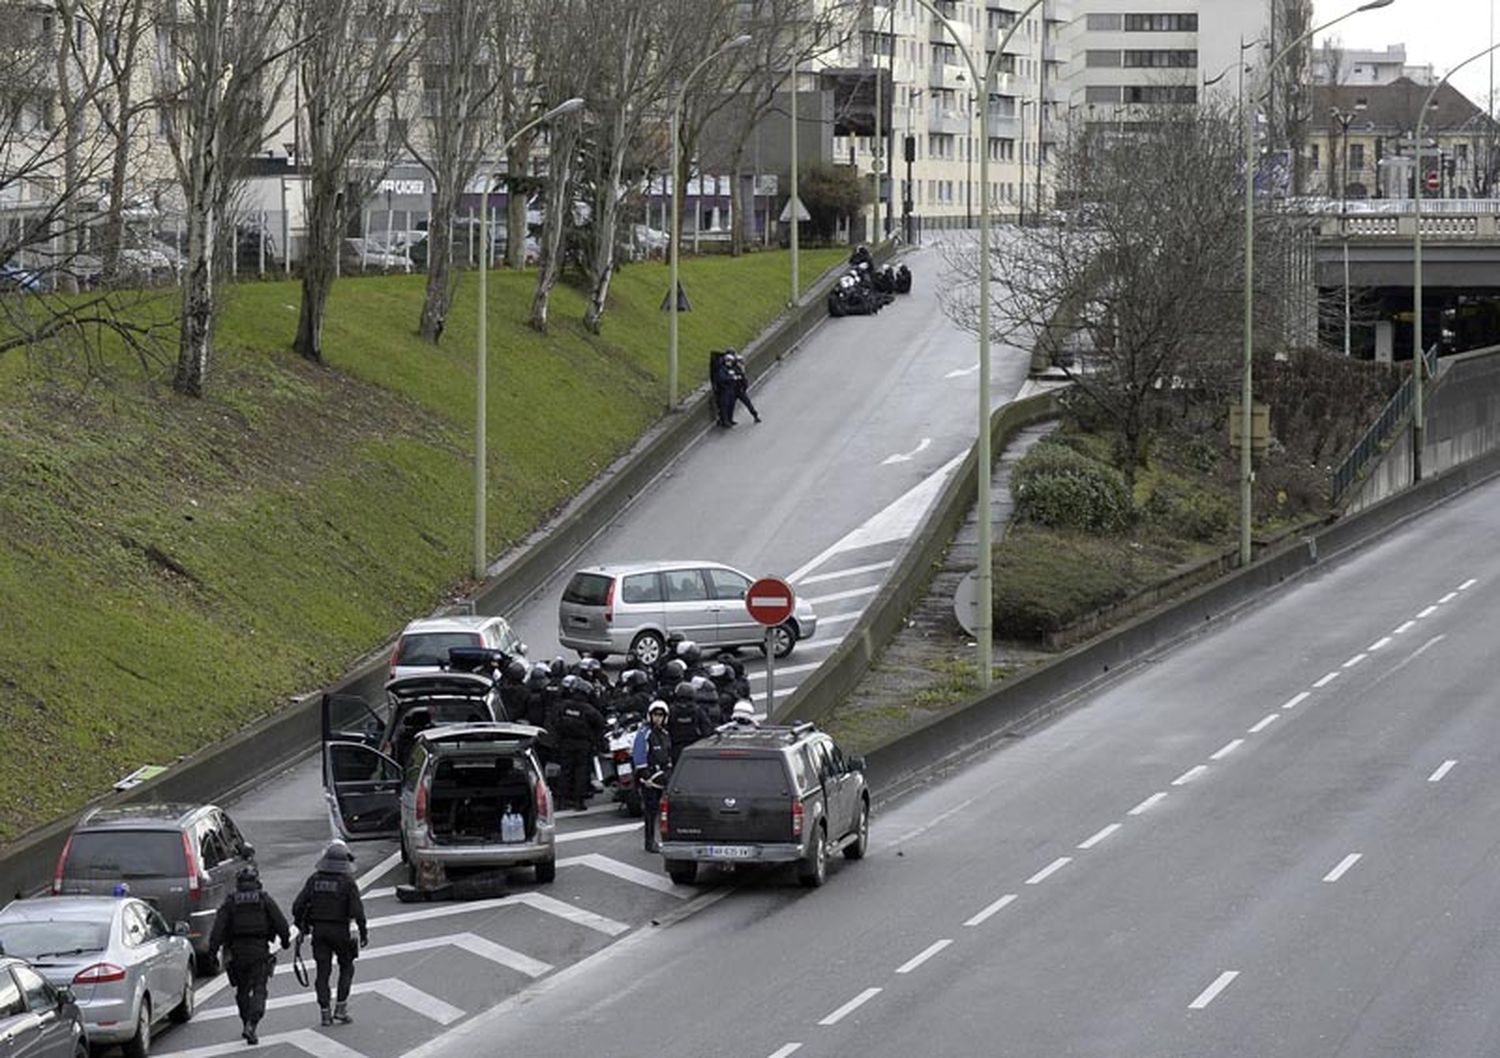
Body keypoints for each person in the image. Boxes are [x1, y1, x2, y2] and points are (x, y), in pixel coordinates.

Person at [209, 865, 290, 1046]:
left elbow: (218, 928)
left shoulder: (230, 902)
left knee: (242, 991)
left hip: (237, 952)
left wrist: (212, 952)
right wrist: (285, 941)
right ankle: (253, 1023)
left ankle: (246, 1021)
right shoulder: (264, 899)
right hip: (259, 950)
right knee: (260, 988)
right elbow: (281, 923)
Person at [292, 840, 367, 1028]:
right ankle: (340, 1009)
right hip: (342, 931)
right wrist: (363, 932)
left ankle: (324, 1014)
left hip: (320, 932)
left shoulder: (314, 880)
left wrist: (303, 927)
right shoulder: (347, 882)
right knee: (347, 968)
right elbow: (357, 910)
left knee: (322, 973)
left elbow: (297, 906)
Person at [548, 675, 606, 810]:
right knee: (581, 772)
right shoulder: (588, 710)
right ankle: (579, 802)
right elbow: (600, 723)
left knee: (565, 771)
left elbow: (554, 722)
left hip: (565, 743)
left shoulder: (564, 706)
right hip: (583, 745)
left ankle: (561, 801)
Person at [632, 701, 673, 852]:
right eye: (655, 715)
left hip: (663, 777)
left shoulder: (664, 734)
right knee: (650, 811)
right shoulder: (644, 733)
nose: (658, 718)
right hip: (650, 780)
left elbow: (667, 754)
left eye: (660, 715)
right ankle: (649, 842)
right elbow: (639, 755)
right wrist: (646, 776)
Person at [724, 351, 761, 424]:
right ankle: (730, 419)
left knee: (746, 403)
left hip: (738, 389)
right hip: (736, 390)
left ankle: (755, 415)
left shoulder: (735, 368)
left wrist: (743, 386)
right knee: (733, 405)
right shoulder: (732, 368)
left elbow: (742, 378)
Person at [709, 350, 736, 428]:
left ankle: (728, 419)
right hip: (724, 389)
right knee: (724, 405)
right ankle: (725, 421)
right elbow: (722, 379)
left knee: (729, 405)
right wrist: (731, 378)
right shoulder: (722, 369)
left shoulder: (727, 368)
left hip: (729, 389)